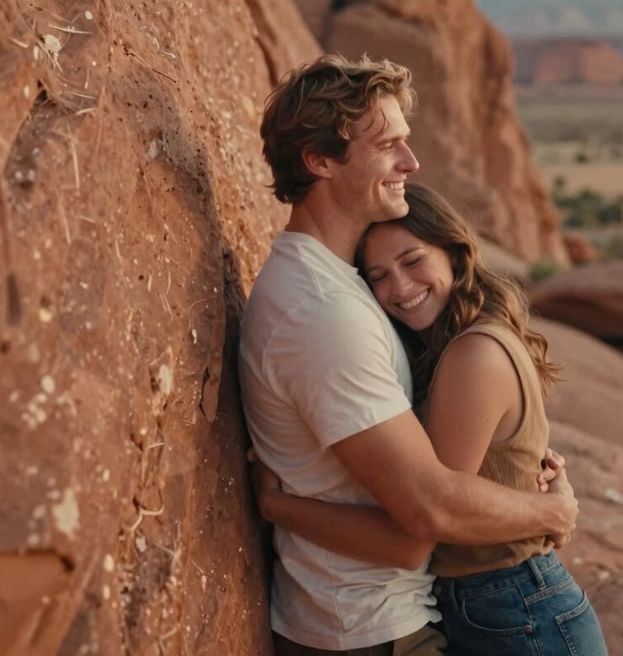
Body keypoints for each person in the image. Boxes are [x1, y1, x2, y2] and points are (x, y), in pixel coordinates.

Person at [239, 54, 579, 655]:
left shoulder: (339, 283)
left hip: (382, 617)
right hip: (370, 629)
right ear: (319, 161)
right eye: (388, 145)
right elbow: (425, 510)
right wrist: (549, 512)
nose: (411, 162)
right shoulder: (322, 312)